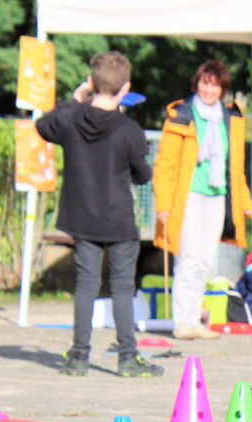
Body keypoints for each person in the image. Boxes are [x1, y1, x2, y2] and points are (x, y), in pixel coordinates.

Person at [36, 51, 163, 378]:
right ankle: (127, 358)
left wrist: (75, 99)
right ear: (126, 89)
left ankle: (78, 356)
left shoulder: (71, 118)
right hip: (118, 220)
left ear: (92, 83)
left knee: (86, 285)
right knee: (122, 287)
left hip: (82, 218)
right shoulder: (129, 130)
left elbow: (43, 125)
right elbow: (142, 175)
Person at [153, 59, 252, 340]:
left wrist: (245, 200)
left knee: (205, 260)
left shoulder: (231, 118)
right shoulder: (181, 114)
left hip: (217, 195)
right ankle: (182, 321)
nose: (209, 90)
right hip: (188, 195)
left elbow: (236, 166)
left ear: (222, 88)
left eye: (215, 85)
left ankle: (195, 319)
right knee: (188, 257)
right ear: (197, 84)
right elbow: (164, 165)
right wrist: (162, 204)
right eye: (205, 83)